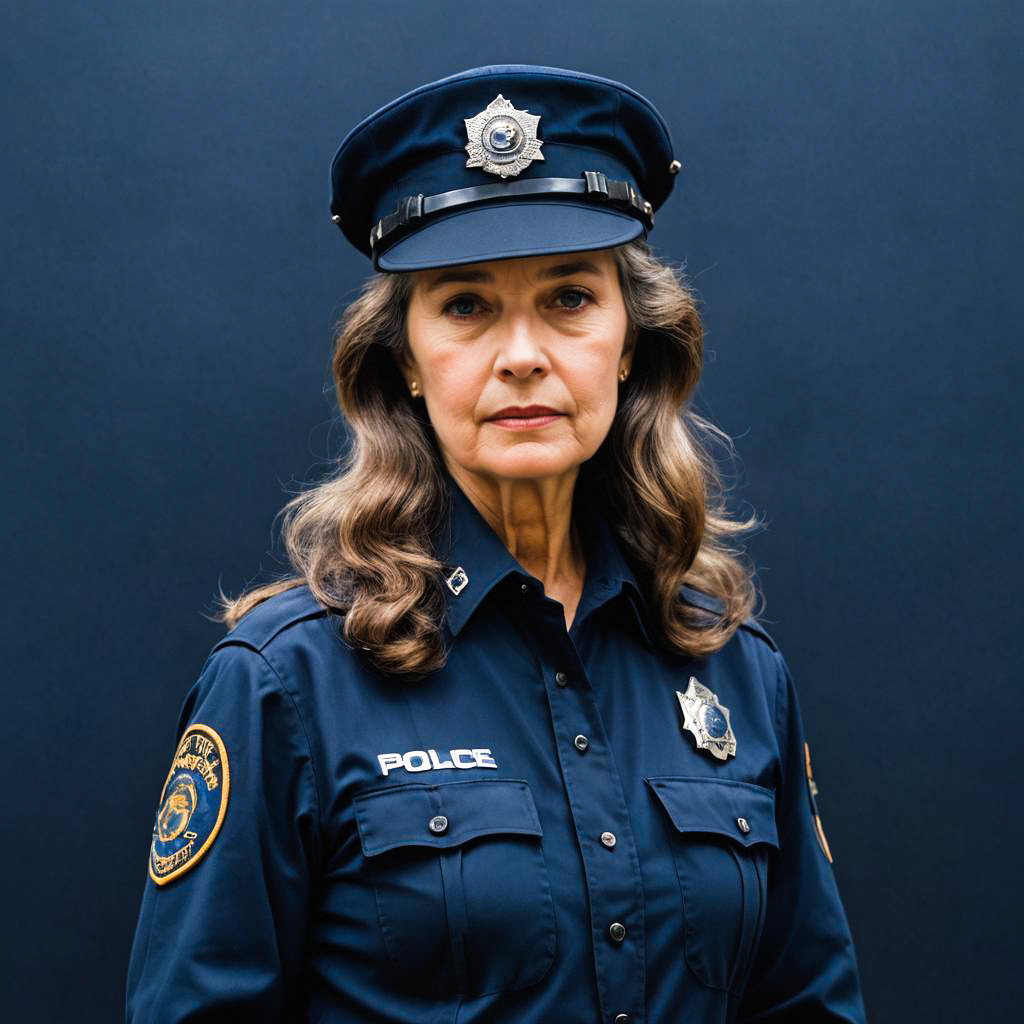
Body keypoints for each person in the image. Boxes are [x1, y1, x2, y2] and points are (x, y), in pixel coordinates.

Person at [125, 64, 867, 1023]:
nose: (523, 353)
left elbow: (808, 1003)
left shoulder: (733, 669)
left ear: (630, 343)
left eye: (569, 299)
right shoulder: (285, 684)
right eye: (466, 306)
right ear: (407, 365)